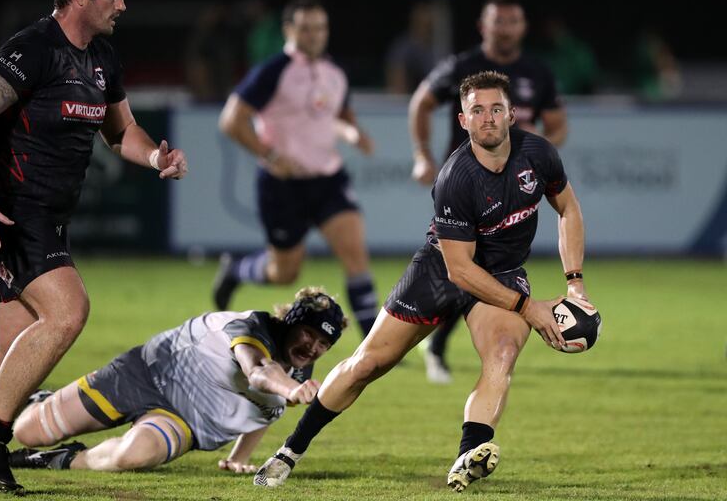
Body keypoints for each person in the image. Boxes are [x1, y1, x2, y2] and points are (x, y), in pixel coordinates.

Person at [253, 71, 592, 493]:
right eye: (477, 111)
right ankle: (291, 450)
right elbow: (460, 271)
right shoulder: (456, 178)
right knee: (367, 365)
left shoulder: (538, 154)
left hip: (503, 273)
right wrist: (529, 308)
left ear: (512, 114)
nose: (487, 118)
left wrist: (574, 284)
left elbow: (569, 210)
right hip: (441, 273)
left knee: (502, 353)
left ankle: (469, 455)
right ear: (463, 120)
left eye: (496, 109)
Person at [0, 0, 188, 493]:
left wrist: (155, 157)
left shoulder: (102, 60)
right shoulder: (34, 48)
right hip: (11, 215)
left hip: (48, 217)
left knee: (13, 345)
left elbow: (122, 133)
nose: (123, 4)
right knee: (69, 311)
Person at [6, 288, 345, 474]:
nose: (312, 348)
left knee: (134, 456)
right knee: (28, 431)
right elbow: (258, 372)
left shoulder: (300, 370)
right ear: (290, 322)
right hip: (143, 374)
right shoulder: (251, 327)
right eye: (308, 334)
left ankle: (56, 460)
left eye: (323, 344)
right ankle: (40, 402)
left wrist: (239, 457)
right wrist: (290, 388)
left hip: (184, 421)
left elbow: (263, 409)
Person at [409, 0, 568, 383]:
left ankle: (442, 344)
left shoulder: (537, 71)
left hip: (513, 184)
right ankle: (432, 340)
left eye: (513, 21)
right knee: (463, 268)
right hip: (466, 187)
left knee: (484, 268)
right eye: (498, 21)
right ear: (484, 26)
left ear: (523, 27)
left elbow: (558, 124)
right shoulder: (464, 67)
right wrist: (422, 154)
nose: (506, 28)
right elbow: (421, 103)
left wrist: (534, 153)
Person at [213, 0, 379, 337]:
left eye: (320, 27)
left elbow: (337, 116)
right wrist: (271, 156)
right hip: (281, 184)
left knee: (356, 256)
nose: (315, 35)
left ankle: (375, 346)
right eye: (306, 28)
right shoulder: (273, 71)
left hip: (328, 179)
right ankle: (236, 270)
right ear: (289, 30)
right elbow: (231, 121)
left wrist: (351, 132)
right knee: (284, 272)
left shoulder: (335, 72)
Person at [385, 1, 437, 94]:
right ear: (414, 22)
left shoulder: (438, 47)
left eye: (429, 25)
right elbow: (397, 87)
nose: (425, 29)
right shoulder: (402, 48)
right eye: (421, 24)